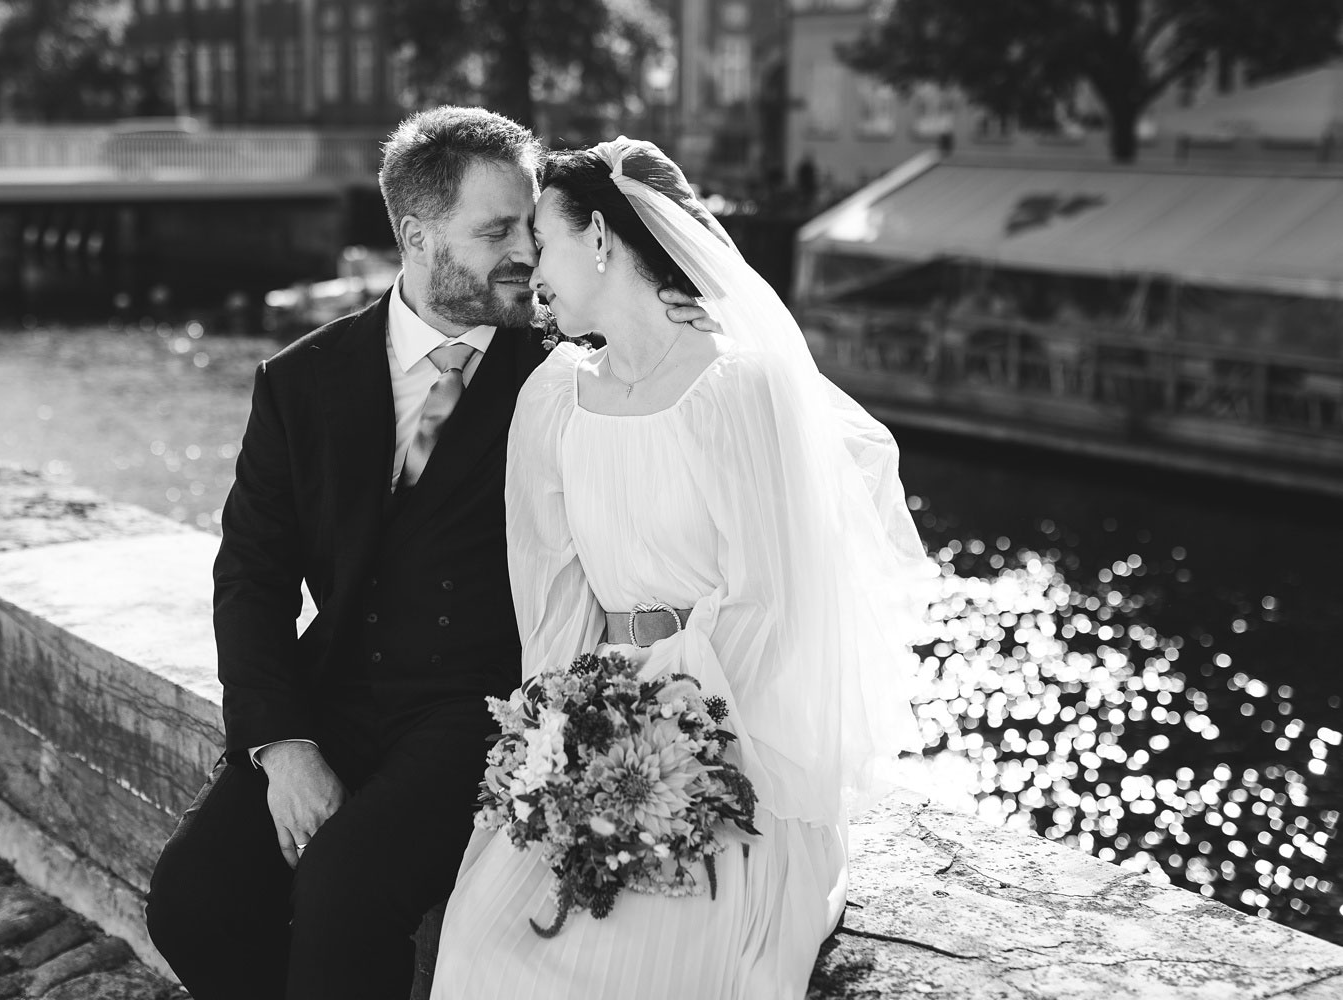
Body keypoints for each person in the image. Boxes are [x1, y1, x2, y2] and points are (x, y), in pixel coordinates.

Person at [142, 109, 713, 1000]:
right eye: (495, 233)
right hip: (330, 696)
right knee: (190, 900)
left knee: (343, 895)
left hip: (474, 712)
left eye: (529, 226)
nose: (525, 251)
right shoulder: (300, 379)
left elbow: (691, 403)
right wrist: (283, 744)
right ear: (415, 235)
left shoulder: (568, 365)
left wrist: (676, 318)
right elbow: (250, 578)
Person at [430, 137, 935, 999]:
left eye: (543, 241)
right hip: (595, 728)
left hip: (727, 738)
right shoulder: (553, 396)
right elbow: (552, 599)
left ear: (597, 239)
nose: (531, 266)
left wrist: (660, 732)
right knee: (482, 939)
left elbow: (769, 603)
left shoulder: (736, 387)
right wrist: (557, 743)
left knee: (646, 962)